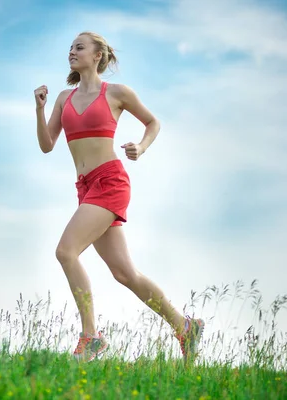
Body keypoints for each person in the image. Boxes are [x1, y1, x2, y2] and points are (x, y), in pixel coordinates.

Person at [33, 31, 204, 363]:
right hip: (85, 187)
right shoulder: (63, 99)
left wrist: (139, 147)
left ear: (97, 55)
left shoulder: (117, 93)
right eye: (70, 48)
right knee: (124, 273)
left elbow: (153, 122)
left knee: (66, 252)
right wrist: (39, 110)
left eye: (79, 47)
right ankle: (184, 326)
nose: (72, 52)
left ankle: (90, 337)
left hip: (110, 182)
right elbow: (46, 144)